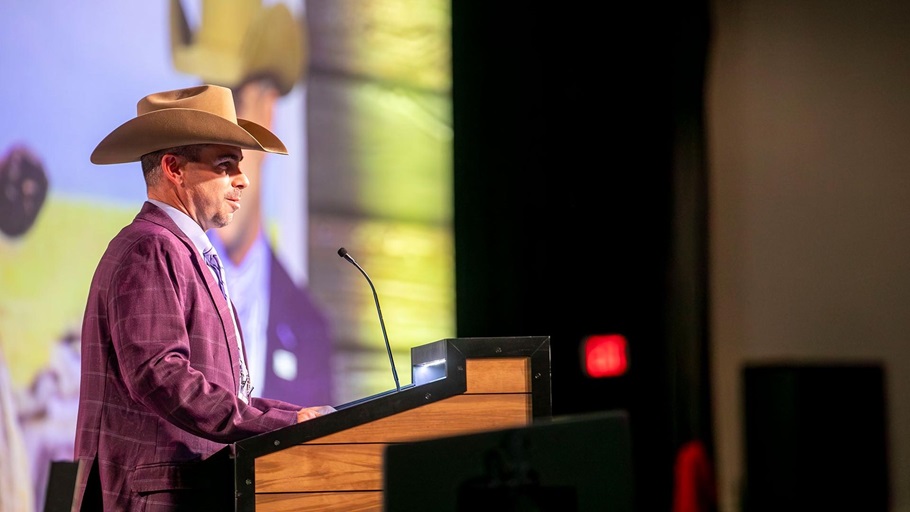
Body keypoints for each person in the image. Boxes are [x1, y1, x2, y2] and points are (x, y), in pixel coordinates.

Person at [72, 84, 334, 511]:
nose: (244, 179)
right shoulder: (150, 247)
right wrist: (279, 422)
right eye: (226, 164)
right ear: (174, 168)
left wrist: (294, 418)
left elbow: (219, 390)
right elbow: (161, 375)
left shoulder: (177, 247)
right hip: (156, 497)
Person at [170, 0, 335, 407]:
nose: (217, 142)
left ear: (268, 108)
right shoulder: (160, 286)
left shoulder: (308, 327)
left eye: (232, 108)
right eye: (204, 113)